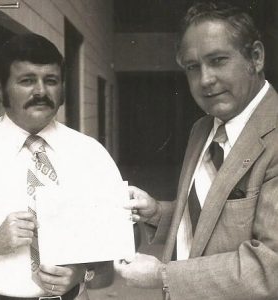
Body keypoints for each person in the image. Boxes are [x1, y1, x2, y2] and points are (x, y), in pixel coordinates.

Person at [115, 2, 278, 299]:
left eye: (217, 60)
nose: (204, 80)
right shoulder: (203, 129)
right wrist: (157, 213)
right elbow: (208, 218)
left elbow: (272, 266)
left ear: (255, 57)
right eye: (192, 67)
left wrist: (162, 276)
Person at [0, 33, 122, 300]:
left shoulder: (91, 154)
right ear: (0, 88)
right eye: (27, 81)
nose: (41, 91)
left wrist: (83, 272)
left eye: (51, 81)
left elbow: (112, 255)